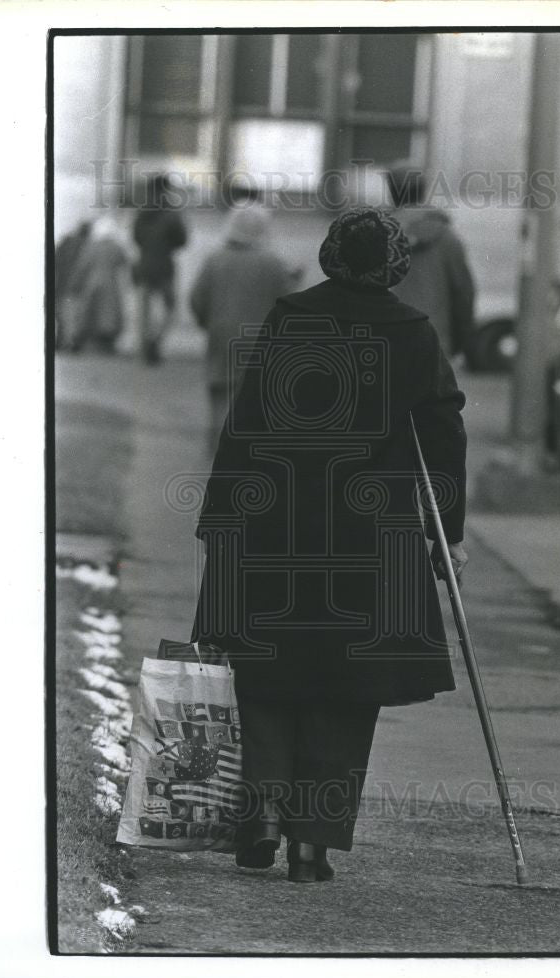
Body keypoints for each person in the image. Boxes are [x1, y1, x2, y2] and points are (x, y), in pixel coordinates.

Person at [192, 207, 468, 884]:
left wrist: (219, 516)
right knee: (347, 689)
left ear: (329, 256)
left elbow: (247, 420)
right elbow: (442, 429)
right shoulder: (410, 330)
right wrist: (446, 533)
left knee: (263, 674)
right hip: (369, 535)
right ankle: (310, 842)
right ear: (393, 265)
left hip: (274, 522)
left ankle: (258, 815)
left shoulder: (292, 317)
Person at [189, 205, 298, 452]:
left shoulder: (214, 259)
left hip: (221, 335)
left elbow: (197, 298)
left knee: (219, 393)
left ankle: (216, 448)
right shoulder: (275, 263)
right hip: (261, 339)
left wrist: (207, 322)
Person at [387, 164, 476, 360]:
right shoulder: (446, 238)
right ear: (422, 190)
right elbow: (463, 293)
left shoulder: (376, 234)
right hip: (433, 341)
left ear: (392, 191)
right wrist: (460, 340)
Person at [132, 174, 188, 365]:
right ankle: (156, 339)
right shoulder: (172, 212)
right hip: (164, 265)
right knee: (171, 308)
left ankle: (144, 347)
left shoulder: (141, 211)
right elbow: (182, 240)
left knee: (144, 310)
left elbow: (136, 238)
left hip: (144, 264)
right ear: (167, 189)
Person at [68, 215, 129, 354]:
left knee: (89, 312)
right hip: (111, 283)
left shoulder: (91, 246)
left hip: (92, 283)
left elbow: (82, 266)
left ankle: (83, 342)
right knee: (109, 315)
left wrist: (75, 284)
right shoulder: (116, 247)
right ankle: (107, 344)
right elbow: (125, 262)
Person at [54, 220, 91, 350]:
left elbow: (56, 260)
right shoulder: (85, 245)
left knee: (63, 315)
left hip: (62, 283)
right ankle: (69, 343)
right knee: (72, 315)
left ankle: (61, 341)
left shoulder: (67, 242)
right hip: (76, 285)